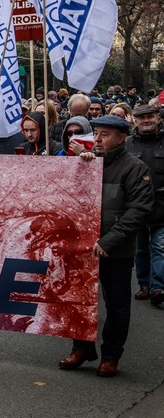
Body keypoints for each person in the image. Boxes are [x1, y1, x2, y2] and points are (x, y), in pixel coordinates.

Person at [60, 116, 153, 377]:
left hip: (116, 250)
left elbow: (139, 210)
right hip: (82, 249)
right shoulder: (86, 163)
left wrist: (108, 241)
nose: (98, 139)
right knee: (79, 300)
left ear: (122, 138)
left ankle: (111, 355)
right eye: (96, 133)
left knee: (117, 304)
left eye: (105, 135)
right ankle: (82, 348)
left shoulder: (134, 168)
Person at [125, 105, 164, 304]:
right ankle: (144, 285)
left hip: (162, 207)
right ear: (135, 121)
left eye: (150, 117)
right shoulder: (128, 144)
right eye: (142, 118)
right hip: (137, 207)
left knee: (159, 247)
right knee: (141, 249)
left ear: (158, 118)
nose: (146, 121)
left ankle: (158, 287)